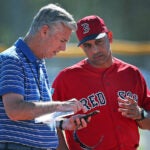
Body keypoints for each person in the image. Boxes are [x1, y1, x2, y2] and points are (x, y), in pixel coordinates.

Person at [0, 4, 91, 150]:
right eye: (62, 40)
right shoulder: (12, 59)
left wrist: (62, 123)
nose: (64, 48)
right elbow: (15, 110)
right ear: (44, 31)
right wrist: (60, 105)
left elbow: (34, 116)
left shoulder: (39, 62)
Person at [52, 15, 150, 150]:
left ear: (109, 37)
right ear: (81, 47)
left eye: (99, 42)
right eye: (88, 45)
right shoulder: (66, 79)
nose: (95, 50)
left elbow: (147, 123)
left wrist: (140, 114)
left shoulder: (132, 74)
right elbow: (48, 122)